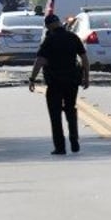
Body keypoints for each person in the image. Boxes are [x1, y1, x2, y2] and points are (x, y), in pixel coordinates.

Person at [28, 13, 90, 155]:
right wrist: (87, 77)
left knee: (55, 115)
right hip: (72, 81)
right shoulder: (72, 37)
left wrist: (32, 78)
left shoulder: (49, 40)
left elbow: (40, 61)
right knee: (70, 109)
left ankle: (60, 147)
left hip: (55, 82)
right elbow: (84, 58)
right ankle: (74, 139)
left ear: (49, 26)